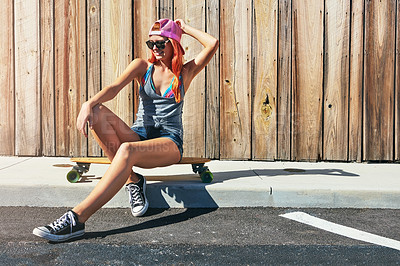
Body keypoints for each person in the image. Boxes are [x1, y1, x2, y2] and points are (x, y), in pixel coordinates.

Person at [33, 18, 219, 242]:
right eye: (151, 44)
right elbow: (113, 89)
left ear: (174, 43)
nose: (156, 49)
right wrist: (87, 104)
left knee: (127, 150)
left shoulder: (185, 72)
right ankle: (133, 179)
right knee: (98, 112)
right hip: (139, 134)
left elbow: (212, 43)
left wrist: (184, 28)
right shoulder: (143, 67)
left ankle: (77, 219)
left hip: (168, 142)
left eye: (161, 43)